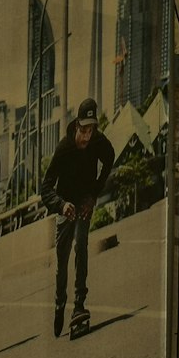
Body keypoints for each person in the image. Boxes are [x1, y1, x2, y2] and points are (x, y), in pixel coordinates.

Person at [42, 97, 115, 336]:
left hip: (83, 201)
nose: (86, 136)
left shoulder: (98, 141)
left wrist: (93, 194)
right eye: (83, 130)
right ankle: (60, 301)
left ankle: (79, 304)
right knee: (62, 259)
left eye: (91, 130)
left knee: (81, 246)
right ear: (76, 126)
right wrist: (61, 205)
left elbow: (110, 158)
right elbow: (45, 189)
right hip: (65, 204)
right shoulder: (64, 148)